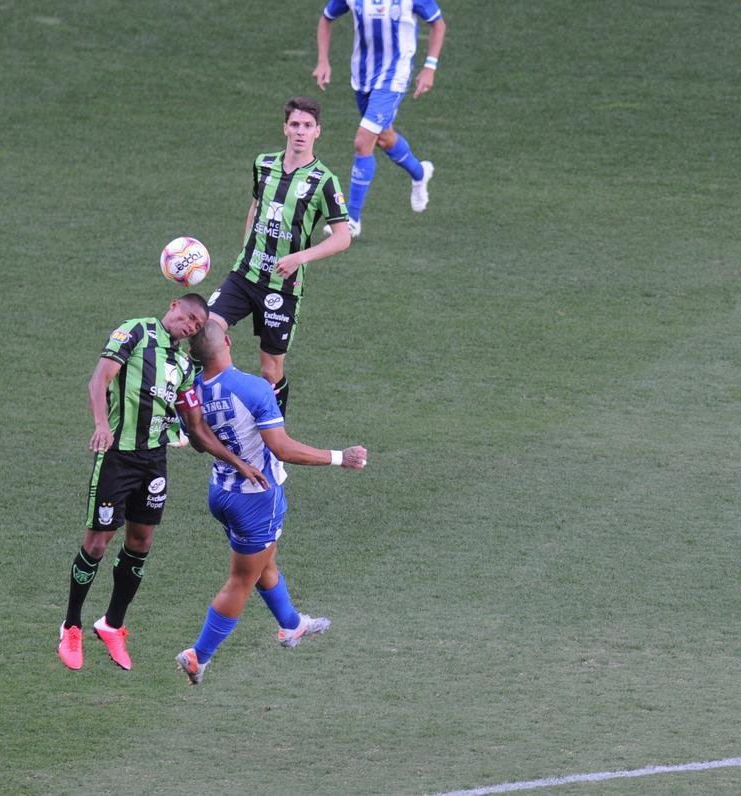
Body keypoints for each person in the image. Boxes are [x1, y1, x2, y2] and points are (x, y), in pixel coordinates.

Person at [57, 294, 270, 672]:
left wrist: (239, 463)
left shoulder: (185, 366)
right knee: (97, 543)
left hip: (153, 462)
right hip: (118, 457)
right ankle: (71, 625)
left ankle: (112, 624)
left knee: (141, 542)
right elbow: (99, 378)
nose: (188, 326)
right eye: (186, 316)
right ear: (172, 306)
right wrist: (101, 425)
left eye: (195, 325)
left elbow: (197, 429)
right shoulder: (136, 331)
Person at [175, 322, 367, 685]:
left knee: (264, 558)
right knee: (241, 580)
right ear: (228, 342)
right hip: (256, 498)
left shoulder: (193, 392)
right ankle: (198, 656)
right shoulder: (253, 388)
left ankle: (291, 624)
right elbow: (282, 449)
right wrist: (341, 457)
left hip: (221, 491)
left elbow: (198, 441)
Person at [206, 96, 351, 419]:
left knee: (270, 370)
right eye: (295, 124)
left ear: (318, 132)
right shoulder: (264, 164)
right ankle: (190, 420)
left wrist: (300, 257)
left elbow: (343, 238)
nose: (301, 131)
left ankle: (274, 433)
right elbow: (255, 208)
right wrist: (247, 249)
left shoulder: (325, 181)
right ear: (285, 128)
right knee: (206, 331)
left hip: (282, 288)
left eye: (308, 126)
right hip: (244, 275)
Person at [312, 0, 447, 238]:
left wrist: (430, 67)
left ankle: (351, 220)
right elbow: (326, 18)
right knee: (384, 138)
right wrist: (323, 60)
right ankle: (419, 173)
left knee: (363, 142)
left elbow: (438, 24)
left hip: (394, 76)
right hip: (362, 77)